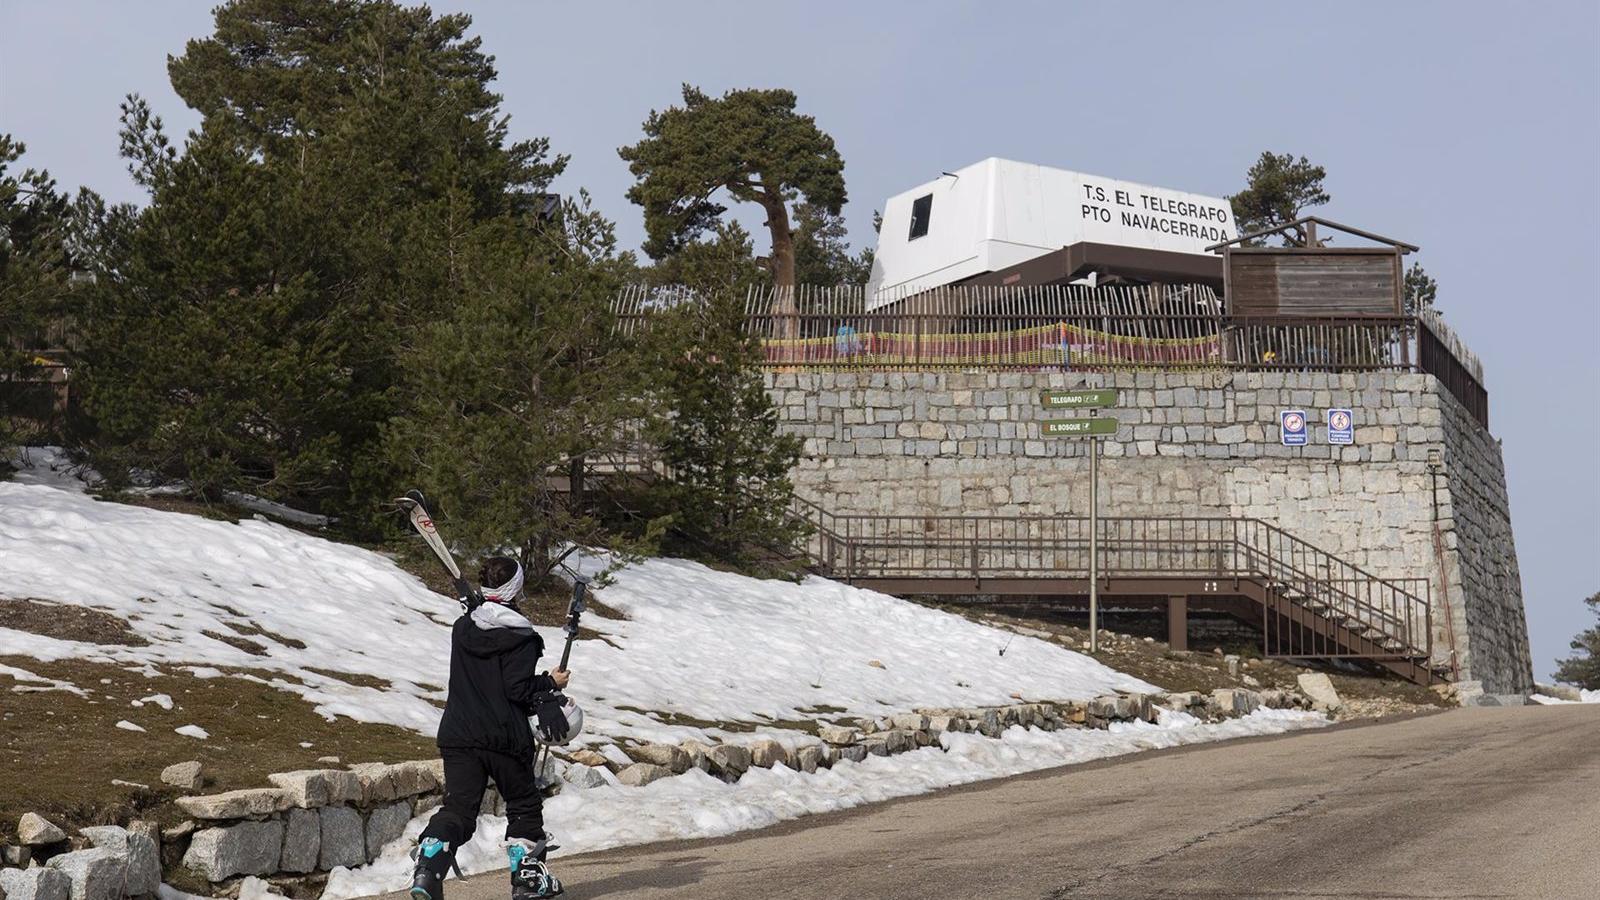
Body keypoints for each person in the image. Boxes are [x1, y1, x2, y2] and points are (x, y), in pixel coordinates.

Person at [411, 556, 571, 900]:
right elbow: (516, 689)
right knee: (524, 806)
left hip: (458, 734)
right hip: (503, 737)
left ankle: (428, 866)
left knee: (458, 810)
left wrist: (478, 608)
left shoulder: (464, 626)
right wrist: (549, 683)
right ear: (517, 588)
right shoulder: (522, 637)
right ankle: (527, 881)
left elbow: (485, 637)